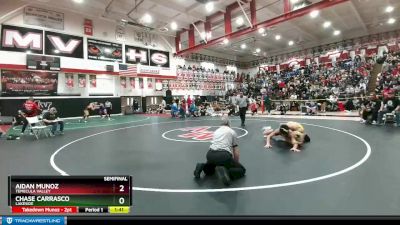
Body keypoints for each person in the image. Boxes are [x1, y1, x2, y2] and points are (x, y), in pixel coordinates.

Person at [193, 115, 246, 185]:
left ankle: (202, 166)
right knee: (242, 170)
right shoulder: (232, 132)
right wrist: (236, 164)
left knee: (210, 171)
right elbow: (235, 150)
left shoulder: (216, 131)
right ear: (229, 123)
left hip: (210, 154)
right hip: (223, 156)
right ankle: (227, 172)